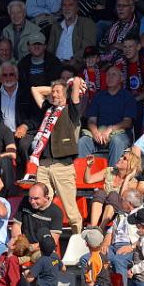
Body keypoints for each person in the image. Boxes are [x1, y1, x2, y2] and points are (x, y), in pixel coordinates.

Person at [27, 78, 85, 233]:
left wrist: (68, 88)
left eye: (58, 92)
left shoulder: (71, 110)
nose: (54, 94)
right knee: (41, 205)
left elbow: (75, 85)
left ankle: (78, 239)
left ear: (66, 95)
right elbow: (35, 89)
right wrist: (54, 90)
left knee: (70, 209)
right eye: (52, 92)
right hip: (43, 165)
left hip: (62, 166)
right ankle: (44, 239)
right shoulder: (48, 109)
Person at [79, 65, 138, 167]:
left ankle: (112, 174)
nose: (110, 77)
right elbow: (91, 120)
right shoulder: (99, 96)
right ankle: (82, 173)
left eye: (114, 75)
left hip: (120, 134)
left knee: (116, 141)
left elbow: (128, 122)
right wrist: (95, 132)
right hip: (99, 134)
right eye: (108, 75)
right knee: (83, 141)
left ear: (121, 79)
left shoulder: (127, 97)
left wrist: (110, 129)